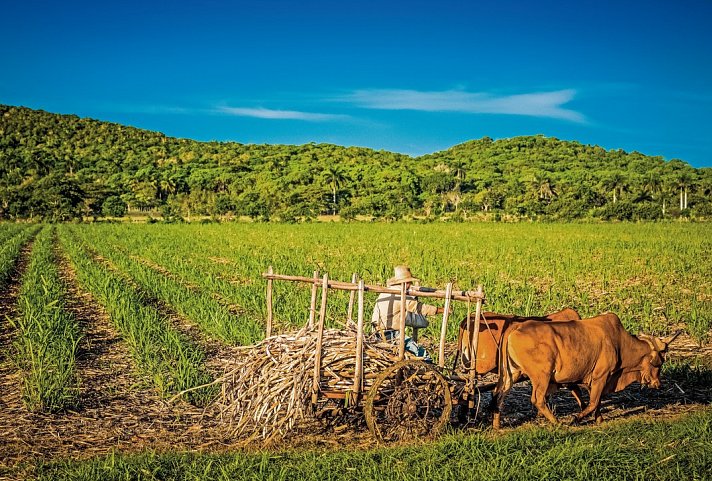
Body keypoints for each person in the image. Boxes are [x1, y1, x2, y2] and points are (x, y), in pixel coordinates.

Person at [371, 265, 447, 362]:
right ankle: (429, 368)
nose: (410, 285)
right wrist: (440, 310)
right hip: (390, 334)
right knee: (422, 354)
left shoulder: (386, 292)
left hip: (377, 332)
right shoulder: (400, 294)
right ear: (405, 283)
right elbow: (419, 308)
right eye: (410, 282)